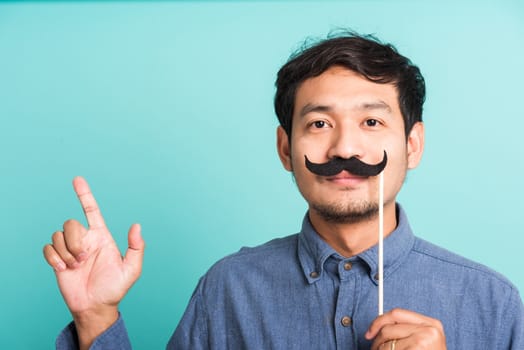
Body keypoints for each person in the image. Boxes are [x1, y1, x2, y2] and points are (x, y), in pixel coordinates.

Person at [44, 32, 524, 350]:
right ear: (285, 148)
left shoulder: (493, 303)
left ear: (412, 144)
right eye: (319, 123)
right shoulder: (229, 289)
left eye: (372, 121)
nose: (344, 146)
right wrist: (96, 316)